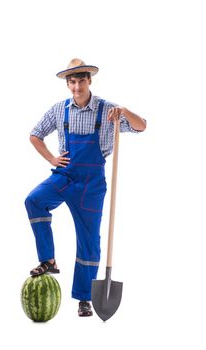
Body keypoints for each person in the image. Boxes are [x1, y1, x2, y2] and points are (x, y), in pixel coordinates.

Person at [25, 58, 147, 317]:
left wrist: (124, 112)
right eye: (72, 81)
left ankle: (84, 298)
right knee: (34, 200)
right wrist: (51, 159)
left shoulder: (108, 110)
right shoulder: (60, 110)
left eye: (81, 80)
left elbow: (141, 126)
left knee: (89, 241)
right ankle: (48, 260)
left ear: (89, 80)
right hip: (65, 176)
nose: (77, 86)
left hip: (91, 185)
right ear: (67, 84)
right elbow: (35, 134)